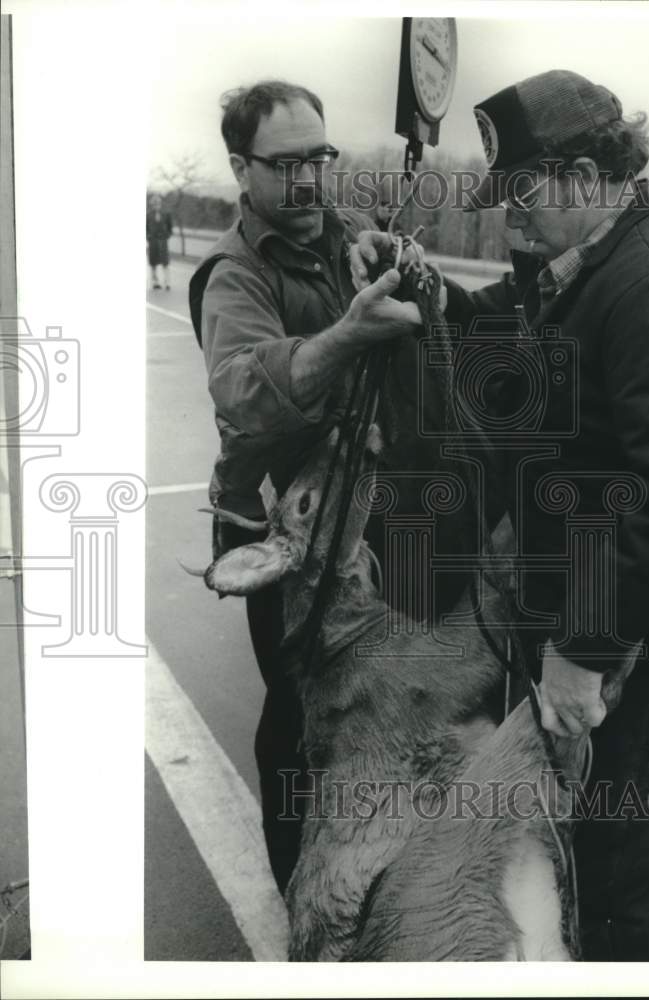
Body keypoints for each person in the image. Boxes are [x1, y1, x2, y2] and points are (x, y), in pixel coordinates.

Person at [351, 69, 649, 961]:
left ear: (581, 176)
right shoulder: (579, 268)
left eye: (522, 195)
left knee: (612, 896)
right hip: (598, 635)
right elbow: (497, 325)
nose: (511, 219)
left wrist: (584, 646)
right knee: (553, 872)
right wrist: (421, 283)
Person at [188, 80, 452, 895]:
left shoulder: (353, 240)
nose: (310, 179)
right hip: (286, 533)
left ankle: (381, 866)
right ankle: (300, 886)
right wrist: (347, 334)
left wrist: (420, 284)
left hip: (372, 518)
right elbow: (243, 394)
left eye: (320, 157)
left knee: (387, 686)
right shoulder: (233, 276)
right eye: (287, 162)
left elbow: (428, 338)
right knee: (305, 710)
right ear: (241, 166)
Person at [146, 193, 173, 290]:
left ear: (160, 204)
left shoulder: (166, 214)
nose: (156, 205)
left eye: (157, 203)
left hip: (163, 241)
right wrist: (148, 237)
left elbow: (170, 227)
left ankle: (167, 282)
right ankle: (155, 282)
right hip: (153, 242)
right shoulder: (148, 215)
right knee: (153, 262)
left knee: (165, 262)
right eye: (154, 204)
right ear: (151, 205)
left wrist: (167, 235)